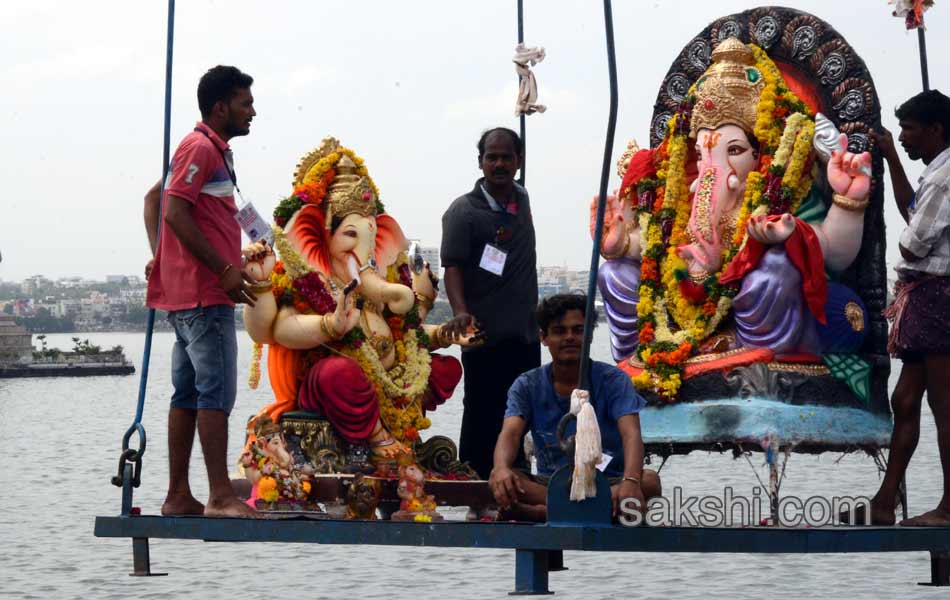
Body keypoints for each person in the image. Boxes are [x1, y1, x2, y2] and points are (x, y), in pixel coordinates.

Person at [144, 65, 258, 518]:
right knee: (215, 392)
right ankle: (220, 496)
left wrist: (162, 257)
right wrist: (223, 269)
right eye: (245, 103)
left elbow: (155, 201)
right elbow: (173, 211)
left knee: (187, 393)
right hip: (205, 295)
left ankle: (178, 495)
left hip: (188, 294)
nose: (253, 111)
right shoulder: (200, 147)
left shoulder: (211, 151)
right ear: (220, 106)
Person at [848, 89, 950, 526]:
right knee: (905, 399)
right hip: (925, 296)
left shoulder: (946, 177)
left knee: (944, 406)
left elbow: (913, 241)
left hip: (938, 296)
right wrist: (890, 157)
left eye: (910, 130)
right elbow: (914, 212)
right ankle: (885, 501)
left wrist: (906, 250)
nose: (905, 137)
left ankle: (948, 508)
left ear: (936, 129)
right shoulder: (935, 172)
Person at [489, 294, 661, 521]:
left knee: (649, 482)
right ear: (544, 337)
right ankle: (584, 510)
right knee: (500, 477)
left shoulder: (614, 380)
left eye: (578, 330)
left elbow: (631, 434)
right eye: (560, 331)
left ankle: (546, 513)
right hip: (551, 484)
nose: (570, 337)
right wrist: (501, 467)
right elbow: (510, 433)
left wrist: (630, 480)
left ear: (589, 335)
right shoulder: (527, 384)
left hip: (607, 482)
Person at [440, 128, 541, 480]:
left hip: (525, 333)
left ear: (519, 160)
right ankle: (477, 484)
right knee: (483, 410)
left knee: (525, 407)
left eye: (506, 157)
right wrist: (460, 313)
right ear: (480, 161)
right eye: (491, 157)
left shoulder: (522, 198)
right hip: (484, 333)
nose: (498, 164)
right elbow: (452, 267)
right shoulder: (463, 211)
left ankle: (516, 475)